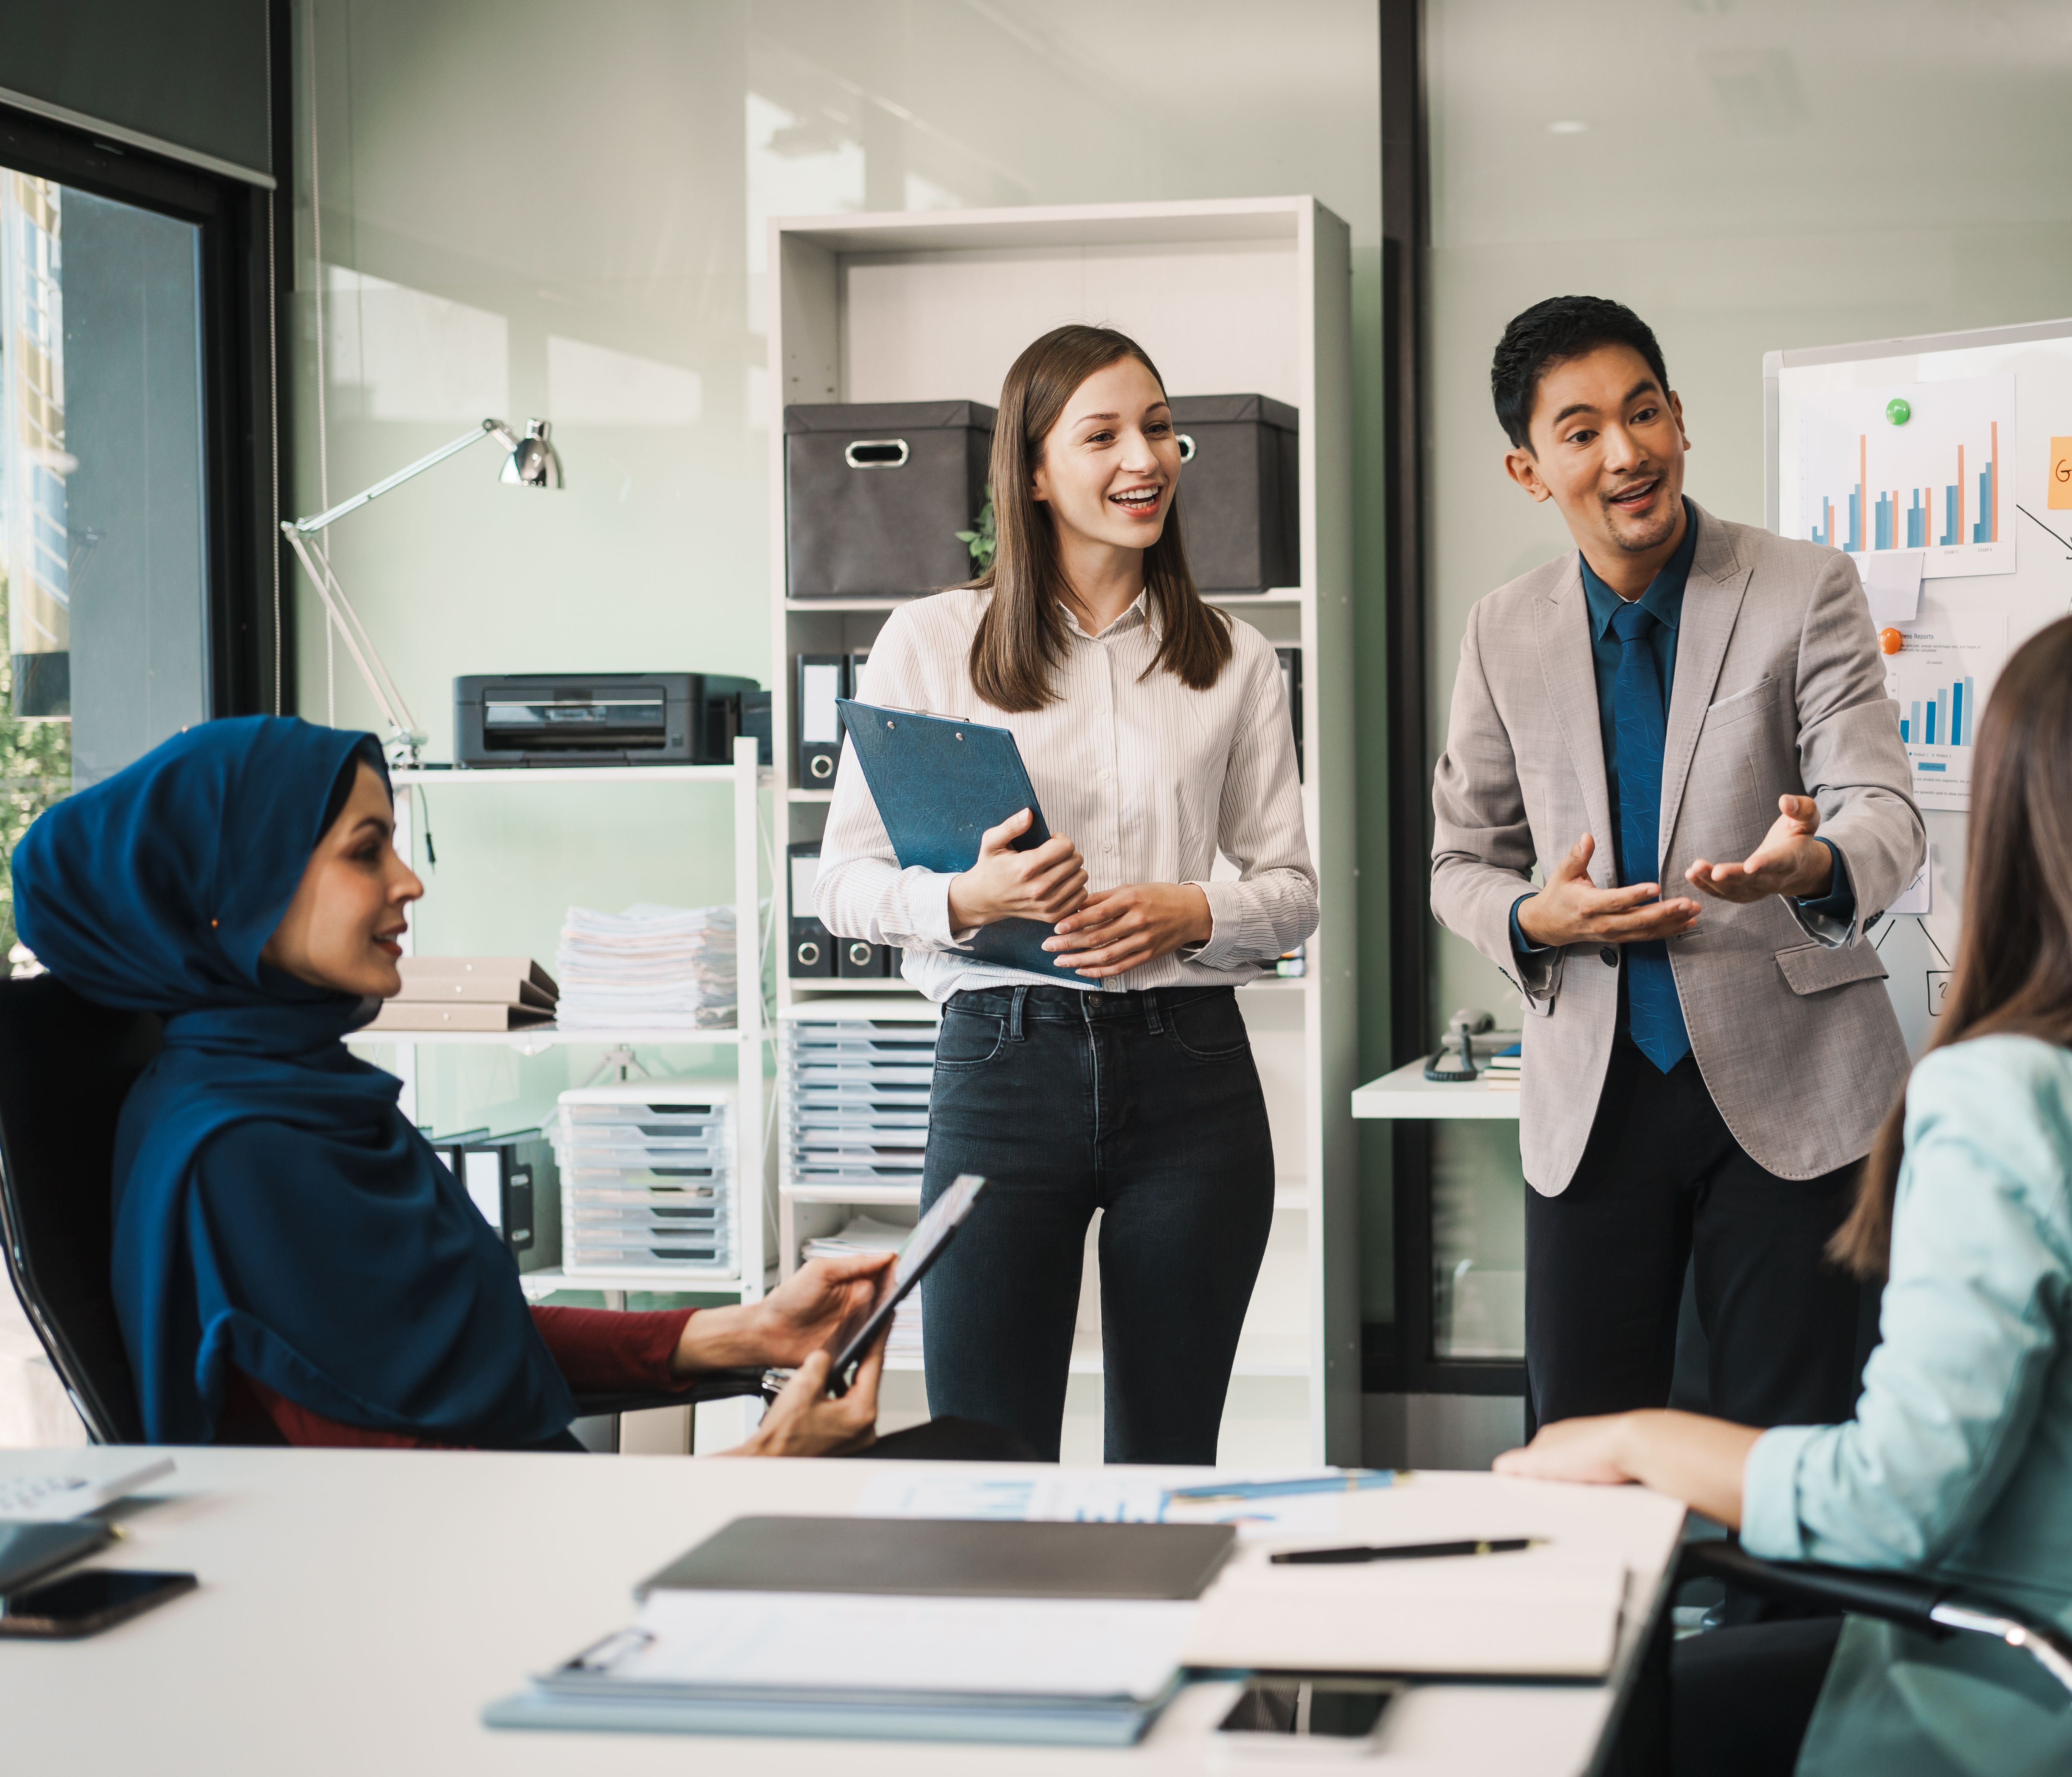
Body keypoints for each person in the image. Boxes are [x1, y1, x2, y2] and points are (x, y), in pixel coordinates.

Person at [1493, 330, 2072, 1777]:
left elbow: (1893, 1512)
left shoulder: (2010, 1103)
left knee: (1617, 1734)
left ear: (2041, 829)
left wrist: (1633, 1439)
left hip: (2025, 1702)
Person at [9, 716, 1025, 1459]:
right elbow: (413, 1520)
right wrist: (761, 1471)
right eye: (368, 852)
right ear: (231, 901)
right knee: (981, 1472)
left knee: (977, 1461)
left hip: (536, 1539)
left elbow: (455, 1341)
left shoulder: (298, 1095)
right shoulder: (244, 1154)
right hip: (489, 1609)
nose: (410, 882)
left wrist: (741, 1331)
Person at [815, 323, 1314, 1465]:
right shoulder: (932, 642)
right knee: (986, 1459)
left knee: (1167, 1460)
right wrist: (970, 898)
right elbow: (841, 883)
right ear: (1034, 472)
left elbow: (1291, 891)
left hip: (1191, 1077)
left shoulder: (1235, 658)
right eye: (1104, 434)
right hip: (1001, 1068)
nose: (1144, 457)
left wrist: (1193, 910)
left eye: (1157, 428)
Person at [1430, 295, 1925, 1432]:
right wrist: (1534, 920)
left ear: (1681, 420)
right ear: (1529, 470)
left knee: (1792, 1447)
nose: (1626, 452)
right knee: (1587, 1447)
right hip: (1593, 1098)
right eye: (1584, 430)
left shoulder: (1804, 587)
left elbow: (1884, 810)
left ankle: (1780, 1627)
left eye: (1643, 412)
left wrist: (1815, 867)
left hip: (1794, 1081)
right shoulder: (1501, 631)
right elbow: (1461, 860)